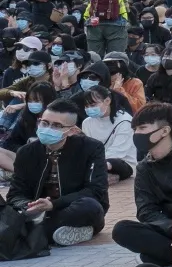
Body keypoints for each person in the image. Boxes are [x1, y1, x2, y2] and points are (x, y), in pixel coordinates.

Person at [5, 101, 110, 250]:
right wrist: (29, 206)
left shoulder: (91, 148)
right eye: (45, 123)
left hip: (70, 209)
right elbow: (15, 194)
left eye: (56, 126)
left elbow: (96, 191)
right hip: (35, 213)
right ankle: (52, 232)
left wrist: (54, 205)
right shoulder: (26, 152)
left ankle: (33, 232)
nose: (48, 129)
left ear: (72, 130)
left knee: (90, 206)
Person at [109, 102, 172, 266]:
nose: (137, 134)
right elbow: (146, 209)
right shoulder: (144, 167)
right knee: (122, 229)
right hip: (169, 229)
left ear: (165, 131)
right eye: (135, 130)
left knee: (149, 257)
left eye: (142, 128)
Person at [77, 87, 136, 183]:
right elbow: (88, 148)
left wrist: (96, 163)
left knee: (108, 164)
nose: (89, 109)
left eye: (93, 105)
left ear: (107, 101)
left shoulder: (125, 121)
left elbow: (118, 152)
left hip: (121, 162)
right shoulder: (87, 122)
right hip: (95, 162)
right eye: (86, 106)